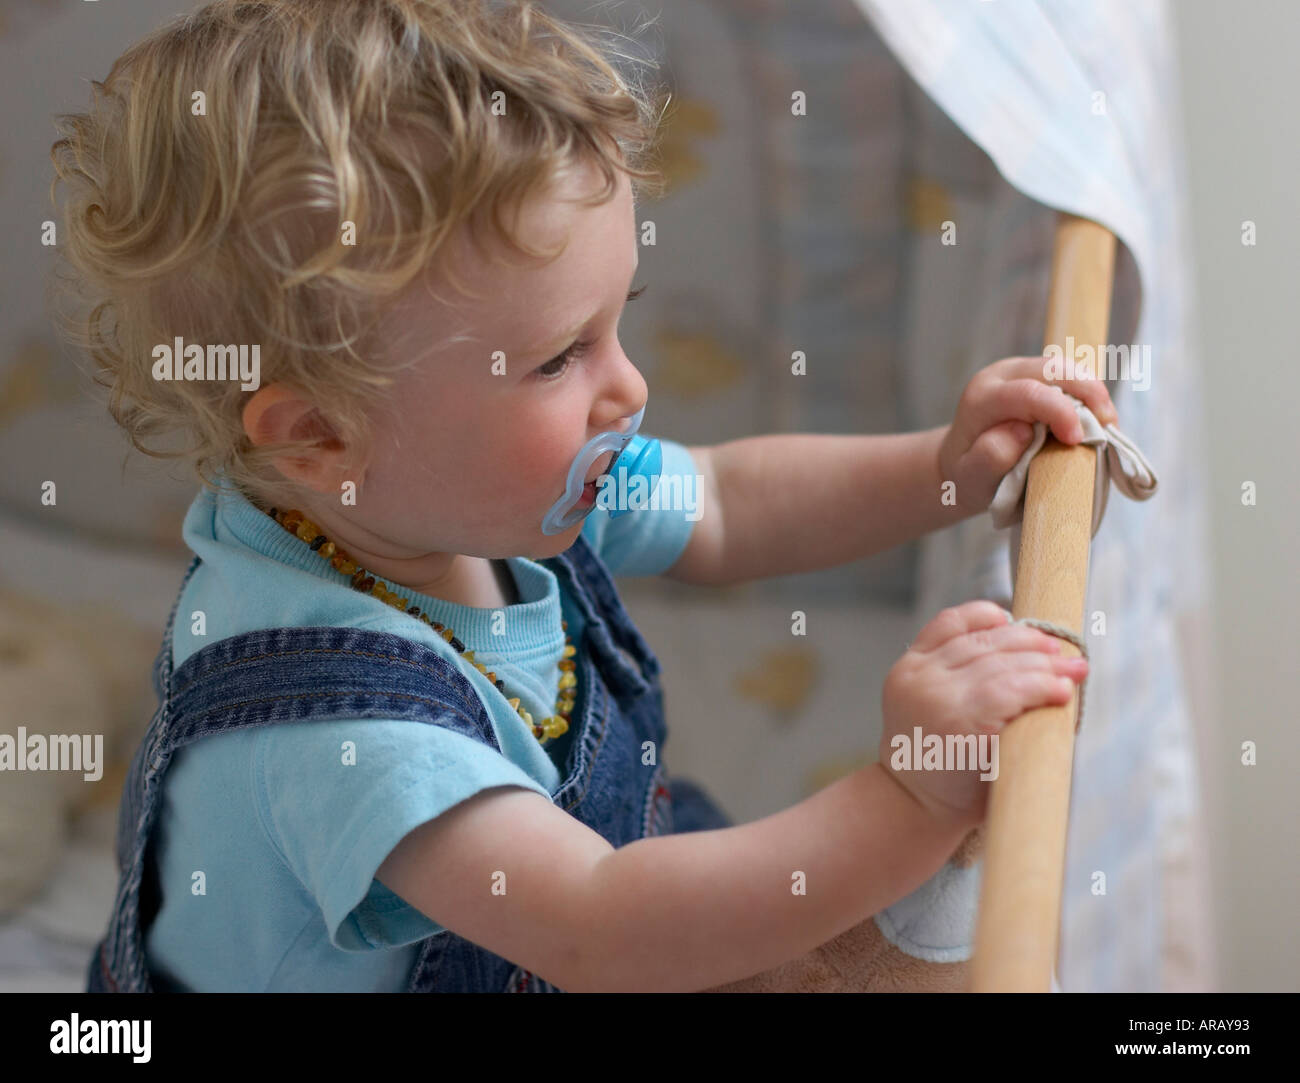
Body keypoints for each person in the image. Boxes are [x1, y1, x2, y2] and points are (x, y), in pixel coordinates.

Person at [53, 0, 1106, 992]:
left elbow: (727, 501)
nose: (630, 388)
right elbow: (599, 924)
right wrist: (904, 797)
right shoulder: (344, 733)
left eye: (619, 320)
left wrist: (949, 468)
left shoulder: (447, 491)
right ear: (320, 435)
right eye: (560, 357)